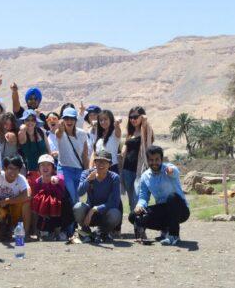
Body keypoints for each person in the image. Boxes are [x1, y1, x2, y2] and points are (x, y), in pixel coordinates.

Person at [129, 145, 189, 246]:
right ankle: (165, 229)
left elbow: (175, 172)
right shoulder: (145, 177)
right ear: (148, 161)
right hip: (163, 210)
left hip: (180, 210)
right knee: (133, 216)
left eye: (157, 159)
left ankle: (174, 235)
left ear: (161, 159)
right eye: (151, 160)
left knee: (172, 197)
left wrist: (171, 171)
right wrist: (140, 205)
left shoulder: (169, 168)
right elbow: (143, 197)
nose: (154, 163)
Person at [74, 150, 122, 243]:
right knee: (78, 207)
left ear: (110, 164)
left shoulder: (114, 178)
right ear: (94, 162)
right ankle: (86, 231)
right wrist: (88, 180)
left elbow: (115, 202)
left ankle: (102, 232)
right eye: (98, 161)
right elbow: (80, 192)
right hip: (89, 212)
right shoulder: (86, 173)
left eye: (105, 162)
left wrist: (95, 209)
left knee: (115, 214)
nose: (101, 164)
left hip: (105, 212)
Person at [121, 105, 154, 239]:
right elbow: (125, 149)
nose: (133, 120)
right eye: (131, 117)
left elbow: (149, 141)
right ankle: (137, 228)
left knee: (139, 199)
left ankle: (141, 227)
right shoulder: (130, 133)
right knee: (131, 201)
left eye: (135, 117)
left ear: (141, 117)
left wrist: (145, 122)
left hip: (140, 170)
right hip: (127, 170)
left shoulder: (145, 130)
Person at [30, 154, 70, 240]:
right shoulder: (38, 182)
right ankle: (42, 229)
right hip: (45, 211)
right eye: (42, 165)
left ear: (53, 168)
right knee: (37, 200)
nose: (45, 167)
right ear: (39, 168)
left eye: (48, 164)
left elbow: (61, 179)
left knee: (58, 202)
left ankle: (60, 231)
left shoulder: (58, 177)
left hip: (60, 210)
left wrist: (56, 180)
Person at [0, 156, 31, 240]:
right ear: (5, 168)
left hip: (13, 208)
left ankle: (26, 234)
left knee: (27, 203)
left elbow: (28, 195)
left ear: (19, 170)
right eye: (10, 168)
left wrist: (8, 201)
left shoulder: (21, 179)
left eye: (16, 168)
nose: (13, 171)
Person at [18, 110, 48, 183]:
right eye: (27, 120)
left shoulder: (41, 132)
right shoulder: (22, 133)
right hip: (32, 172)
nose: (30, 122)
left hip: (46, 170)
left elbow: (48, 149)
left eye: (33, 120)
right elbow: (22, 139)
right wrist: (22, 129)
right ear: (23, 121)